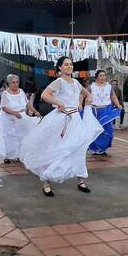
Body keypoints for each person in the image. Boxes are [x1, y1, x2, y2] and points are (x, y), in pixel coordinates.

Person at [19, 56, 102, 197]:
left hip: (75, 120)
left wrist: (87, 99)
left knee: (78, 149)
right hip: (62, 119)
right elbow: (45, 95)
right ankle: (46, 182)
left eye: (70, 64)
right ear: (60, 67)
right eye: (66, 64)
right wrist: (59, 102)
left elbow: (86, 93)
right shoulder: (59, 81)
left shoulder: (75, 82)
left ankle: (81, 180)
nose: (69, 66)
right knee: (57, 149)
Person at [0, 74, 41, 164]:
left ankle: (18, 155)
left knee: (21, 135)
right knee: (9, 137)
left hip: (20, 116)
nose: (15, 84)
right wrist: (14, 113)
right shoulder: (5, 94)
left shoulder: (21, 91)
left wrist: (35, 111)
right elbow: (4, 107)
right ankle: (7, 156)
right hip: (8, 117)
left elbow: (27, 104)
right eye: (13, 82)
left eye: (17, 82)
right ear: (9, 83)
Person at [88, 70, 123, 155]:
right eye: (100, 76)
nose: (103, 77)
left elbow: (113, 97)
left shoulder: (109, 86)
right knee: (96, 130)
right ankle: (95, 149)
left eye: (104, 75)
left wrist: (118, 105)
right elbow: (83, 95)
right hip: (95, 111)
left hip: (107, 110)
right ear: (96, 77)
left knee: (108, 129)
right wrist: (81, 105)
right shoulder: (91, 87)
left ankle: (103, 149)